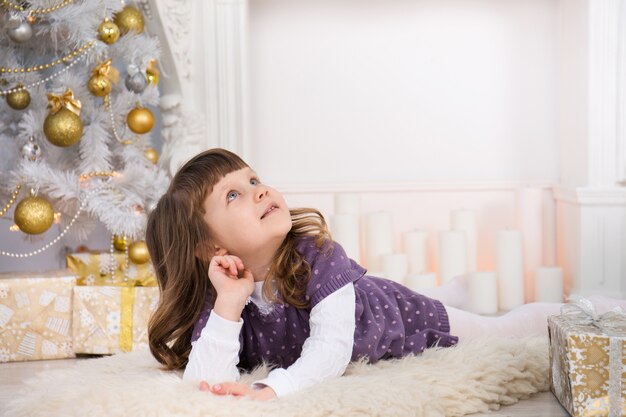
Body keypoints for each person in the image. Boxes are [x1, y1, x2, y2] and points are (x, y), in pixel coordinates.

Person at [146, 148, 626, 401]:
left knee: (494, 329)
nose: (257, 190)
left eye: (253, 179)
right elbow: (202, 387)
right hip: (361, 301)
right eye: (232, 195)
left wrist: (278, 388)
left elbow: (330, 351)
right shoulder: (223, 293)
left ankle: (594, 308)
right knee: (432, 294)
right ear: (211, 247)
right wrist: (229, 302)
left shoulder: (318, 257)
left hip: (394, 317)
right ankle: (449, 289)